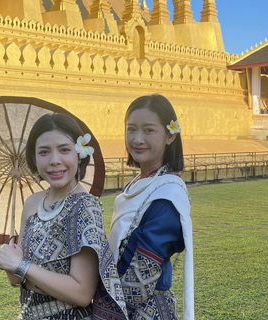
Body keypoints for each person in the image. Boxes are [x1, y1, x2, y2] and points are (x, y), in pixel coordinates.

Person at [0, 113, 125, 320]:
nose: (55, 161)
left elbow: (82, 293)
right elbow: (19, 280)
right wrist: (9, 261)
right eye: (44, 152)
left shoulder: (84, 207)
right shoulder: (32, 204)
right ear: (34, 158)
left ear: (79, 154)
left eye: (64, 150)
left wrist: (22, 265)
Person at [105, 94, 194, 319]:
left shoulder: (167, 195)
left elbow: (140, 280)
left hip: (143, 309)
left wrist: (93, 302)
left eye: (149, 130)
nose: (137, 139)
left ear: (170, 136)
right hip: (116, 300)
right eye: (131, 129)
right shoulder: (138, 185)